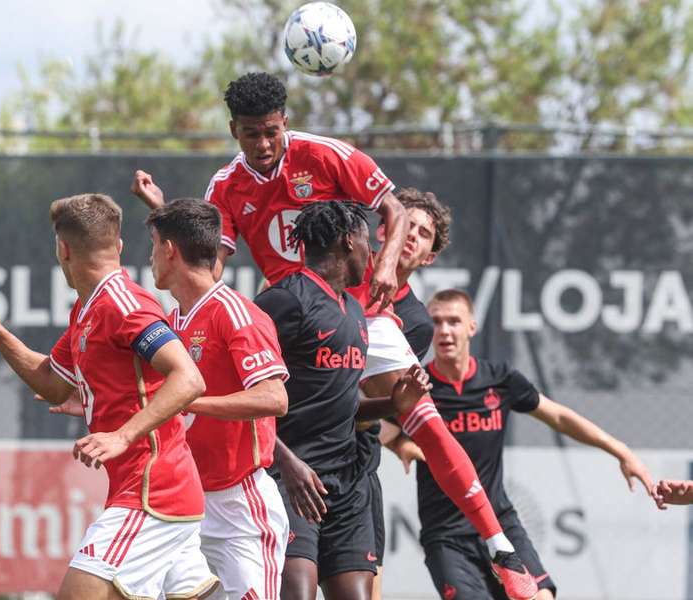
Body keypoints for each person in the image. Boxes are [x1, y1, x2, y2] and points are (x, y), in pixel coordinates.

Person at [132, 74, 541, 600]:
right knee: (277, 400)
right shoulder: (227, 190)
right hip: (296, 325)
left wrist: (387, 269)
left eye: (272, 132)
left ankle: (498, 542)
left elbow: (394, 209)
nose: (262, 145)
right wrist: (163, 215)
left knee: (418, 411)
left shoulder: (328, 157)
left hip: (359, 312)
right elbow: (208, 265)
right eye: (250, 134)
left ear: (286, 121)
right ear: (233, 130)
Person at [0, 194, 218, 600]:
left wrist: (121, 436)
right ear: (118, 246)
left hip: (152, 492)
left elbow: (188, 378)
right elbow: (53, 380)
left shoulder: (123, 305)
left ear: (62, 249)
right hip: (156, 492)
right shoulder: (89, 308)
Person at [413, 288, 656, 600]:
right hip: (447, 535)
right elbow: (377, 425)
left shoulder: (499, 379)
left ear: (471, 326)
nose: (445, 330)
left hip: (500, 524)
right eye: (436, 321)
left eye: (454, 321)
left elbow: (558, 417)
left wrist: (620, 450)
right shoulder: (419, 387)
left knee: (541, 597)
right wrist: (400, 444)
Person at [254, 200, 429, 600]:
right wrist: (287, 463)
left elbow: (344, 407)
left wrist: (394, 404)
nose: (373, 253)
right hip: (292, 480)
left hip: (347, 486)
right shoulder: (285, 300)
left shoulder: (353, 310)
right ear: (350, 240)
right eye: (369, 241)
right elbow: (244, 395)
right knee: (295, 593)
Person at [149, 197, 291, 598]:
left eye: (153, 246)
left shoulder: (236, 313)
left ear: (169, 250)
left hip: (239, 507)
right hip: (184, 503)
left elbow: (274, 398)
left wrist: (188, 401)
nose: (151, 259)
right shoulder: (172, 321)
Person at [355, 187, 450, 600]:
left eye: (423, 233)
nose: (411, 235)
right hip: (289, 448)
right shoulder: (337, 274)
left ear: (429, 257)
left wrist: (398, 438)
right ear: (384, 230)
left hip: (352, 461)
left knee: (366, 585)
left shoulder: (413, 321)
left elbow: (368, 405)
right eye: (405, 225)